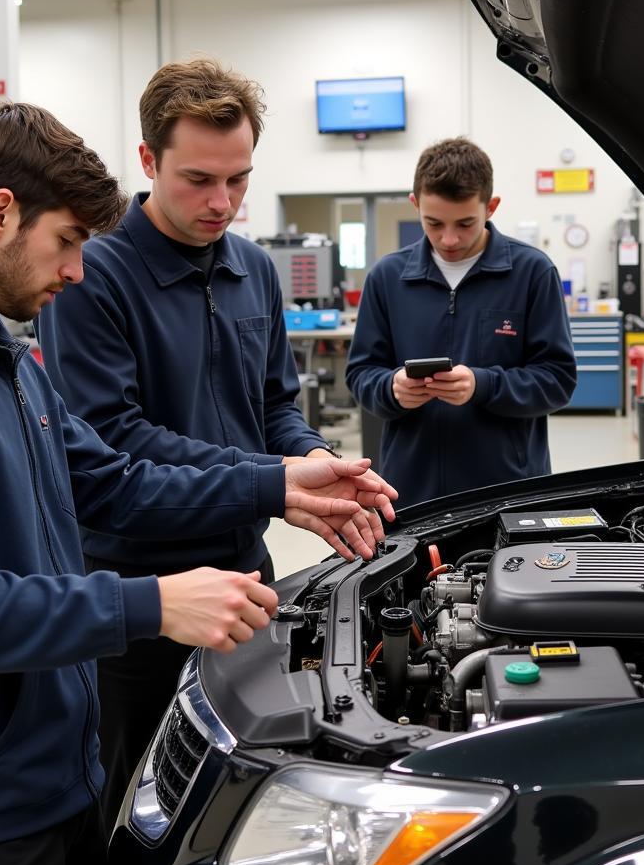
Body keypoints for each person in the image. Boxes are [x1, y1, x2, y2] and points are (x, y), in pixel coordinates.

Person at [0, 102, 393, 865]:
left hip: (60, 788)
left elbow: (115, 483)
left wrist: (276, 481)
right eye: (65, 242)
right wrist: (152, 604)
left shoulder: (9, 359)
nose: (75, 270)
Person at [38, 57, 398, 825]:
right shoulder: (92, 277)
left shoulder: (253, 269)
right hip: (138, 600)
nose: (223, 202)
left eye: (239, 180)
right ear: (147, 161)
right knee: (129, 808)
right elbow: (117, 444)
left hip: (246, 578)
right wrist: (276, 480)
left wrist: (312, 464)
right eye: (198, 179)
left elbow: (275, 406)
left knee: (236, 804)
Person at [346, 136, 577, 509]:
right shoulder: (387, 278)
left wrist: (482, 385)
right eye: (433, 223)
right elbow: (360, 375)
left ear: (491, 207)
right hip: (409, 493)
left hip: (508, 492)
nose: (448, 239)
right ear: (415, 204)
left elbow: (557, 380)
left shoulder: (532, 273)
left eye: (465, 223)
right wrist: (392, 389)